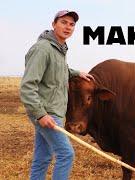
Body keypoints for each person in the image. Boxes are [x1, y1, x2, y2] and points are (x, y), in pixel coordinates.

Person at [20, 10, 93, 180]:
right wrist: (41, 115)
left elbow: (58, 70)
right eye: (64, 22)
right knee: (66, 155)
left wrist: (76, 73)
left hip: (53, 111)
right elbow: (27, 86)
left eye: (72, 24)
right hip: (47, 112)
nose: (68, 27)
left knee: (42, 158)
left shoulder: (59, 49)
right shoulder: (42, 49)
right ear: (53, 24)